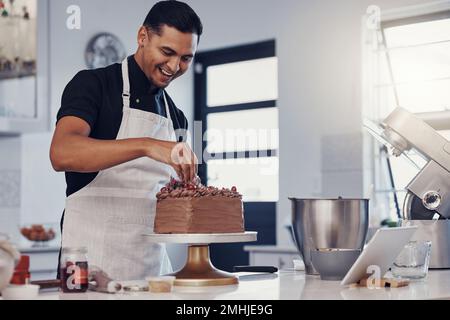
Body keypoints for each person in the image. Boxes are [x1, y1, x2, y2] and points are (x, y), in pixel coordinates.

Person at [50, 1, 202, 281]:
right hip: (88, 268)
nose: (174, 66)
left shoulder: (177, 117)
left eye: (185, 58)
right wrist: (147, 145)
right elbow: (62, 153)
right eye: (167, 52)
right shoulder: (93, 85)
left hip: (152, 273)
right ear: (142, 36)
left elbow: (177, 199)